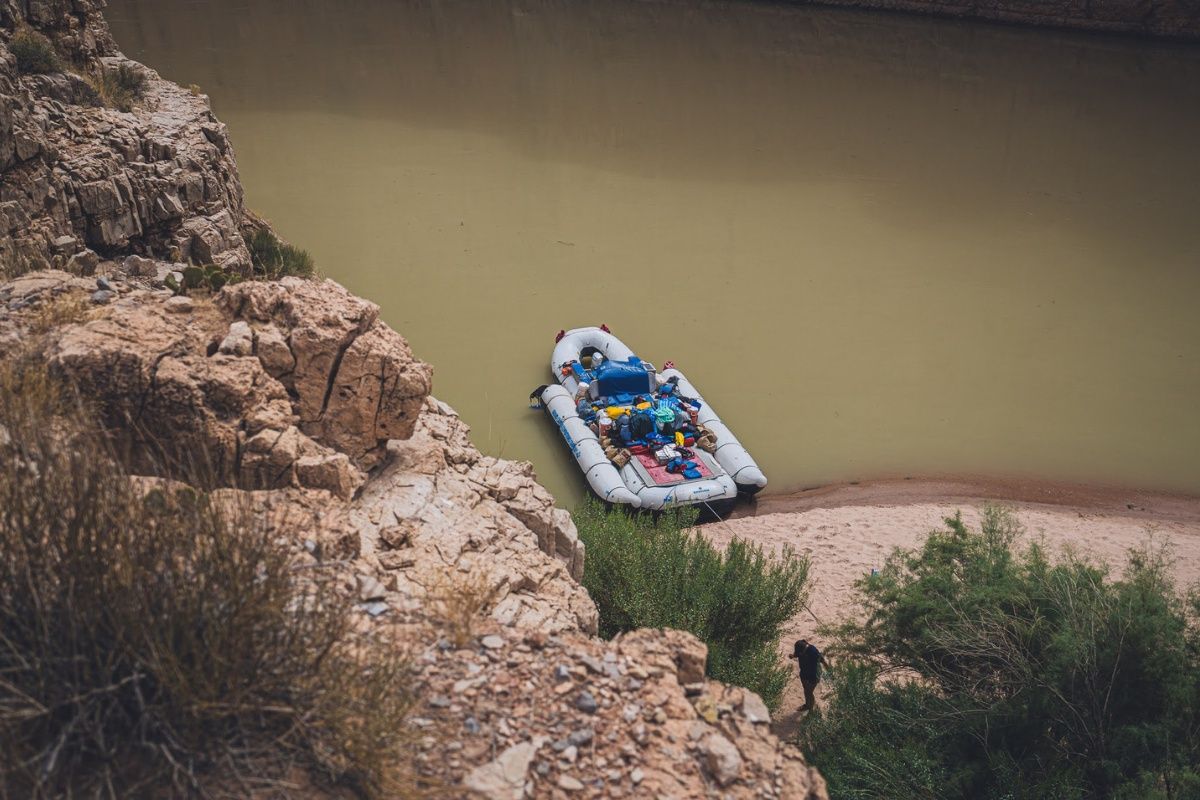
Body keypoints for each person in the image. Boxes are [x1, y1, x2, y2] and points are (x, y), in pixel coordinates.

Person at [789, 639, 827, 712]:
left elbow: (823, 661)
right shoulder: (799, 648)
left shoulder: (813, 651)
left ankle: (811, 709)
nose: (800, 654)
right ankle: (807, 705)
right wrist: (792, 656)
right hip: (804, 672)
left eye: (801, 652)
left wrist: (830, 671)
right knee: (806, 690)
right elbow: (796, 654)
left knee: (809, 692)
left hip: (814, 674)